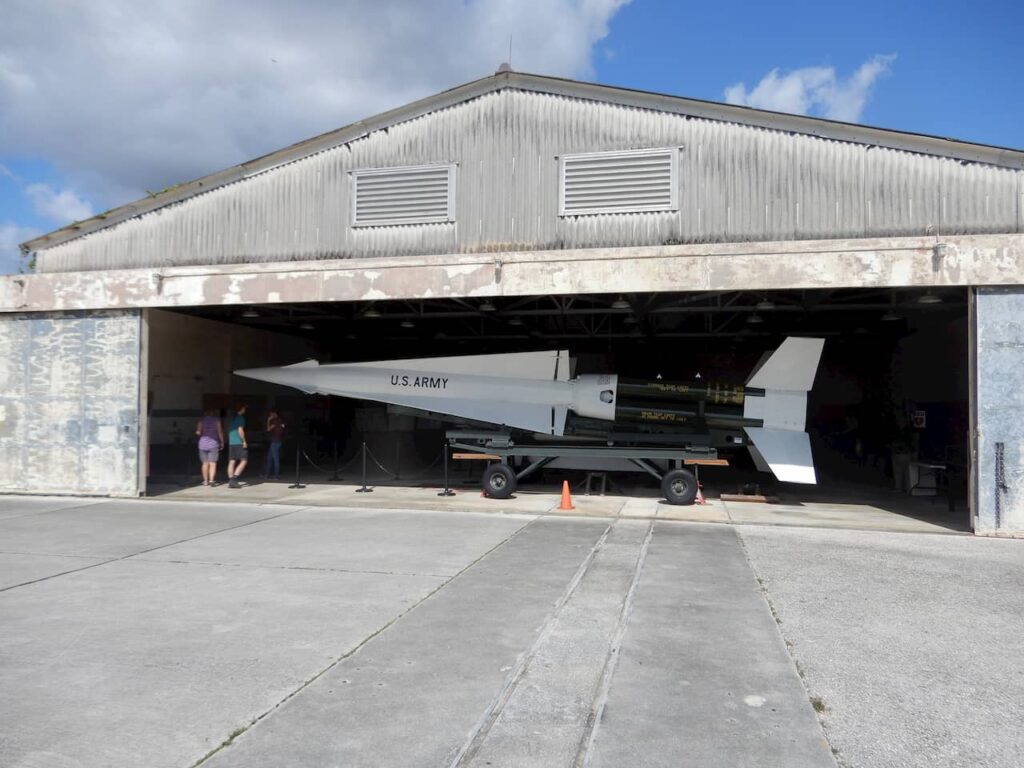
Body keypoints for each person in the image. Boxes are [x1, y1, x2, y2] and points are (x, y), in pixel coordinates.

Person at [194, 409, 224, 486]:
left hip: (202, 444)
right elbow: (220, 432)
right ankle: (211, 480)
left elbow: (198, 432)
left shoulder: (201, 421)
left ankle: (205, 481)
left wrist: (199, 433)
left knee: (204, 463)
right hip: (213, 444)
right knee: (213, 463)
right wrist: (222, 442)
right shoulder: (217, 421)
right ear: (213, 413)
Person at [227, 403, 249, 488]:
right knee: (244, 460)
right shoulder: (240, 418)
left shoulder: (232, 418)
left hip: (231, 442)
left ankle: (230, 479)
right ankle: (234, 479)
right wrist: (244, 441)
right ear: (241, 409)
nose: (245, 410)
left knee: (232, 461)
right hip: (238, 442)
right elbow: (240, 430)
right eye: (244, 408)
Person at [264, 409, 285, 480]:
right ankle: (267, 474)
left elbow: (268, 429)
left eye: (271, 414)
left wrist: (268, 420)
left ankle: (276, 476)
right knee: (269, 458)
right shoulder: (281, 421)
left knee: (275, 459)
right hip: (278, 441)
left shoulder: (275, 421)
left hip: (274, 442)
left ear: (274, 413)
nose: (270, 416)